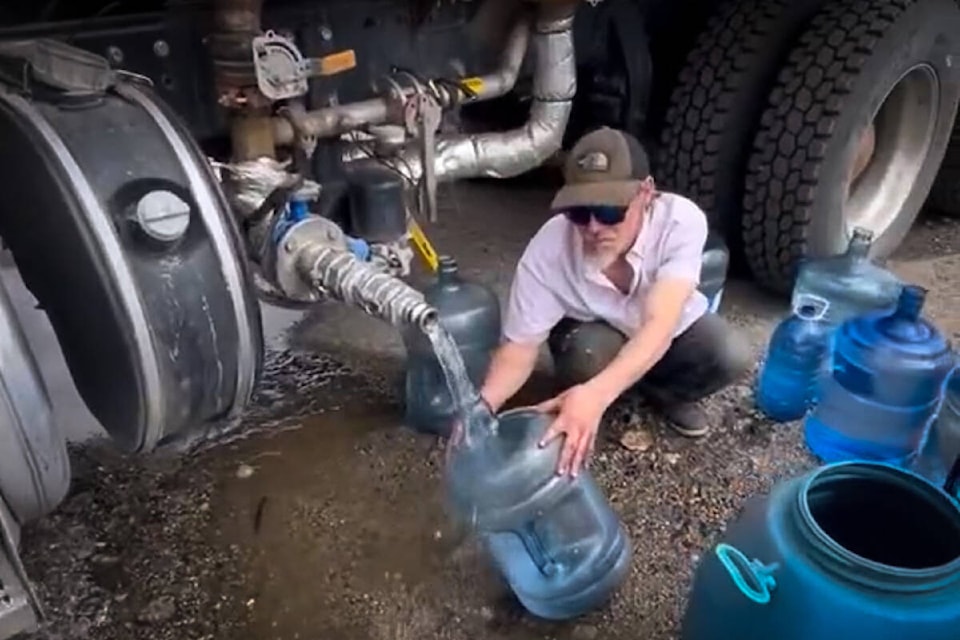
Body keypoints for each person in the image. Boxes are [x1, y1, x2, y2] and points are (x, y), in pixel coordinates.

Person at [478, 127, 751, 477]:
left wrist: (596, 395)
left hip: (661, 328)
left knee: (728, 352)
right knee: (586, 356)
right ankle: (593, 401)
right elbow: (519, 349)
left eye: (610, 211)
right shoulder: (548, 249)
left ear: (647, 193)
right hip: (596, 332)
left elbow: (661, 323)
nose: (593, 227)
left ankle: (656, 393)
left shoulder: (681, 220)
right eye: (579, 212)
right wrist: (484, 406)